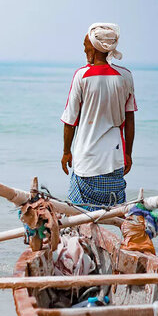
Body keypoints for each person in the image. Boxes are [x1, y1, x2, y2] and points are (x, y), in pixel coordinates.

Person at [61, 22, 137, 210]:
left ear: (94, 48)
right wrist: (128, 154)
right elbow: (129, 120)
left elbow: (70, 121)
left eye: (86, 44)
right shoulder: (125, 76)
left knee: (77, 219)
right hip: (115, 161)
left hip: (85, 163)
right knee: (116, 215)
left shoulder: (81, 76)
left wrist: (65, 152)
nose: (83, 47)